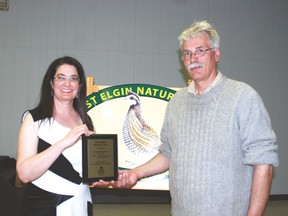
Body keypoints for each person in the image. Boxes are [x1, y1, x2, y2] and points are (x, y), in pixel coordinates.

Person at [97, 20, 279, 216]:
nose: (194, 58)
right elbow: (168, 153)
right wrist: (135, 173)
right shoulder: (177, 102)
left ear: (216, 54)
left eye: (201, 50)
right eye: (187, 53)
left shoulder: (243, 97)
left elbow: (263, 162)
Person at [16, 56, 95, 216]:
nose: (67, 84)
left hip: (80, 204)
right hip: (44, 206)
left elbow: (88, 170)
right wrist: (64, 142)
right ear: (51, 83)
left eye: (73, 79)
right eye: (61, 78)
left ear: (79, 86)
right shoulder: (34, 119)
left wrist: (105, 176)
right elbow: (24, 174)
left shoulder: (85, 120)